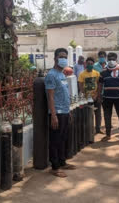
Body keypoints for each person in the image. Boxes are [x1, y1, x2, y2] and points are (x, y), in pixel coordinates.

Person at [45, 48, 76, 178]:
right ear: (55, 58)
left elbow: (64, 94)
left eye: (65, 56)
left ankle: (62, 162)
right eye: (61, 56)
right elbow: (50, 97)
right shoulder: (51, 75)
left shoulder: (62, 74)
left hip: (64, 111)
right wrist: (53, 115)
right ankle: (55, 167)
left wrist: (68, 111)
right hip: (56, 112)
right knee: (55, 140)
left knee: (63, 139)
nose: (63, 58)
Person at [98, 52, 119, 143]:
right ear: (107, 60)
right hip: (107, 98)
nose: (111, 61)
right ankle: (108, 135)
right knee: (107, 116)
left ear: (116, 60)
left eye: (113, 59)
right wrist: (99, 96)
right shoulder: (103, 72)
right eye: (109, 59)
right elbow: (100, 85)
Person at [78, 57, 102, 134]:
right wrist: (86, 97)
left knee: (98, 114)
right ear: (86, 64)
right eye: (88, 64)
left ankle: (98, 129)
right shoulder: (82, 74)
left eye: (91, 64)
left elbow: (99, 85)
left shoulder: (97, 73)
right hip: (87, 98)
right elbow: (81, 87)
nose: (90, 65)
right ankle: (89, 130)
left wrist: (97, 95)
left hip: (96, 97)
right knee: (88, 115)